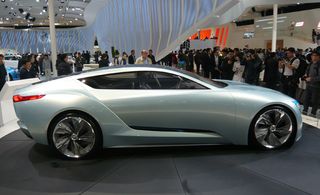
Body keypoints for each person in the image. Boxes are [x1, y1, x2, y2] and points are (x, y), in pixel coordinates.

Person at [302, 49, 320, 117]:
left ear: (319, 57)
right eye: (312, 55)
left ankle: (313, 113)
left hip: (316, 86)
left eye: (315, 56)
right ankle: (305, 110)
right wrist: (305, 75)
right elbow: (307, 71)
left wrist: (311, 78)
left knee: (315, 100)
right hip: (309, 84)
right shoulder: (310, 63)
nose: (313, 57)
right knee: (306, 98)